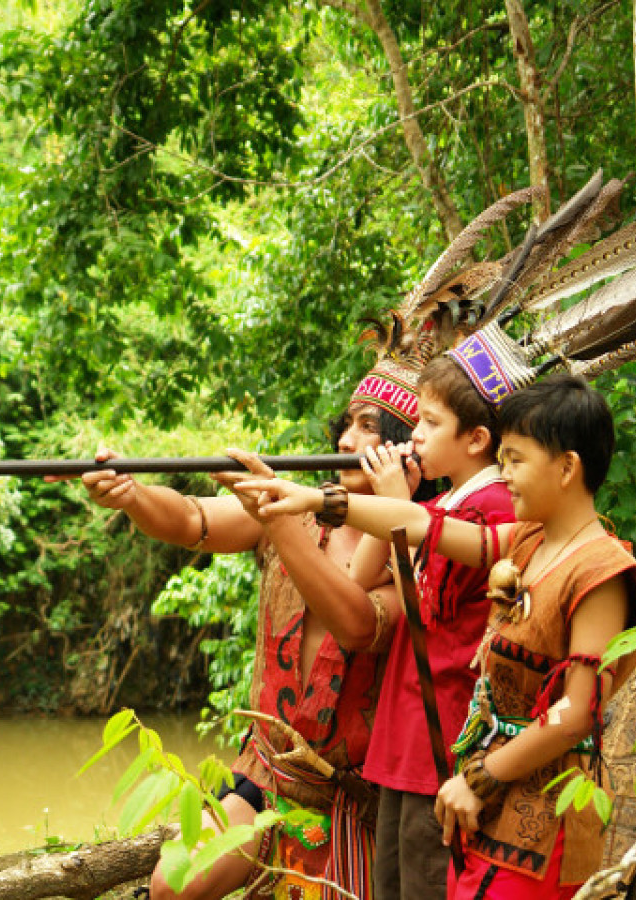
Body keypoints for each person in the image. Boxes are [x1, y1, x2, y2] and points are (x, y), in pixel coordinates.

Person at [235, 374, 636, 900]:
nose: (507, 475)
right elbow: (420, 524)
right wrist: (307, 500)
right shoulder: (525, 538)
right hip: (484, 786)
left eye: (517, 460)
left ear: (567, 467)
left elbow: (575, 713)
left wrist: (481, 776)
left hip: (539, 809)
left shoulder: (602, 570)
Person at [54, 365, 431, 900]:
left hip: (354, 800)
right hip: (268, 768)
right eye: (347, 424)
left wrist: (278, 516)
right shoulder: (298, 505)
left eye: (369, 428)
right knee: (172, 883)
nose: (347, 440)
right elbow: (191, 519)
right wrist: (132, 495)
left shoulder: (421, 542)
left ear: (408, 449)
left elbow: (355, 623)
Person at [344, 355, 515, 900]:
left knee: (427, 885)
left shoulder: (492, 506)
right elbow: (358, 575)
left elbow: (420, 606)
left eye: (430, 423)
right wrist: (395, 501)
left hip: (443, 739)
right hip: (407, 736)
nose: (415, 435)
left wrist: (398, 505)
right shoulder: (441, 503)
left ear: (477, 439)